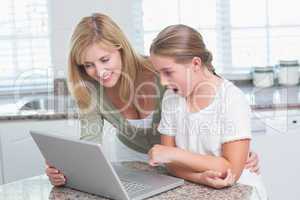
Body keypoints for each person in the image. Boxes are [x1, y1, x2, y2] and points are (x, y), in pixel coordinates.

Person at [46, 13, 261, 189]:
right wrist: (68, 169)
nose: (99, 72)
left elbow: (207, 87)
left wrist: (234, 151)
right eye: (88, 65)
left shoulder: (160, 70)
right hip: (140, 158)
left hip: (182, 157)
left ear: (121, 49)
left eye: (105, 60)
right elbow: (89, 142)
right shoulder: (90, 90)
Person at [148, 24, 268, 199]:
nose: (163, 82)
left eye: (168, 72)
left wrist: (174, 153)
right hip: (196, 187)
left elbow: (230, 170)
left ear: (195, 63)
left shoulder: (231, 99)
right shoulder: (171, 98)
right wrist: (199, 177)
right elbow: (170, 164)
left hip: (241, 191)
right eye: (159, 73)